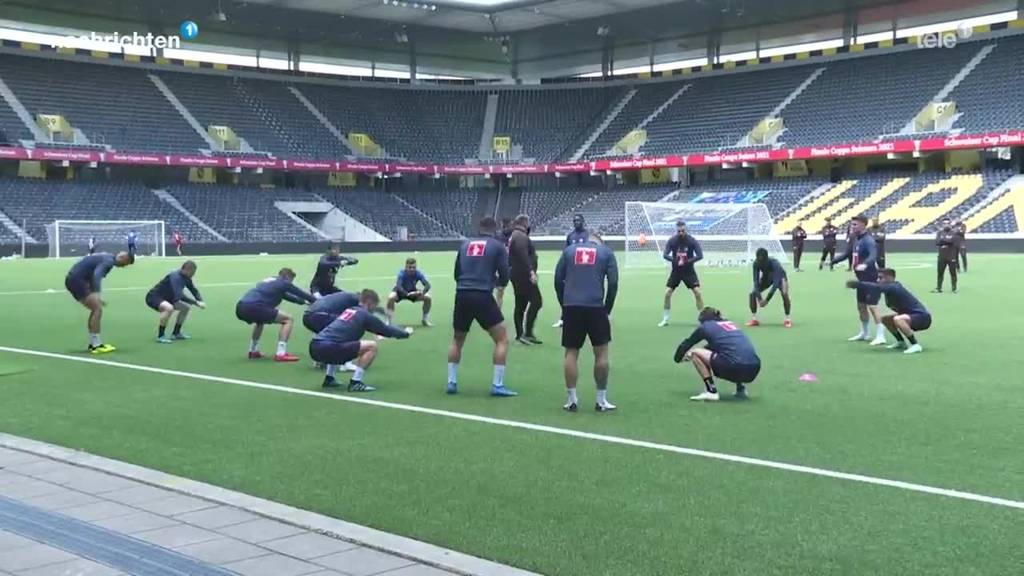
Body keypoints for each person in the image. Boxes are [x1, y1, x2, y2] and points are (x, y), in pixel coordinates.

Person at [447, 216, 515, 397]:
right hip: (482, 294)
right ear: (494, 229)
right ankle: (497, 384)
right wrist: (497, 282)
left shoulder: (465, 245)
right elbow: (505, 273)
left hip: (462, 293)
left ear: (479, 227)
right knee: (502, 339)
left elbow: (456, 272)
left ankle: (451, 382)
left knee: (457, 339)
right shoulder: (497, 246)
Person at [554, 232, 618, 413]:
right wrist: (607, 309)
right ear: (600, 242)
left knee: (571, 353)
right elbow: (613, 283)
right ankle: (601, 400)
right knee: (601, 353)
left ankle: (571, 399)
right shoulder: (606, 253)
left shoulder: (568, 251)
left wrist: (564, 303)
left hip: (571, 306)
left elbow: (558, 280)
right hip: (596, 306)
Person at [310, 289, 413, 392]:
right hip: (328, 347)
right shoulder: (364, 314)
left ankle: (329, 378)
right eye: (374, 305)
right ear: (369, 303)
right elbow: (386, 330)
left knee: (338, 341)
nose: (374, 309)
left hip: (314, 346)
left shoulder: (349, 310)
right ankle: (356, 382)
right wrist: (405, 333)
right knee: (372, 346)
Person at [674, 307, 761, 402]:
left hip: (733, 367)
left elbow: (687, 343)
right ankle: (741, 390)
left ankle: (711, 392)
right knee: (733, 353)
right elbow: (720, 346)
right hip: (754, 369)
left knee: (695, 353)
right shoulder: (730, 324)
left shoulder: (705, 326)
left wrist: (678, 358)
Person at [235, 268, 317, 362]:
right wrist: (318, 301)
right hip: (255, 307)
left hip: (241, 306)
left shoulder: (271, 280)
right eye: (291, 280)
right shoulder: (284, 283)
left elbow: (285, 295)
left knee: (260, 321)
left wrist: (303, 302)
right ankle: (281, 354)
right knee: (288, 319)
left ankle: (253, 351)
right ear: (287, 276)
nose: (291, 282)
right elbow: (300, 293)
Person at [846, 268, 930, 355]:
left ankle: (915, 345)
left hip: (922, 317)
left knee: (898, 319)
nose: (878, 280)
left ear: (890, 278)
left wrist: (859, 284)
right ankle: (901, 342)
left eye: (881, 278)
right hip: (911, 316)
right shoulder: (889, 289)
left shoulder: (894, 286)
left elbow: (876, 287)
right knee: (885, 319)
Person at [832, 215, 887, 345]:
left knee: (873, 306)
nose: (852, 227)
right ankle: (865, 333)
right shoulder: (855, 239)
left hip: (871, 279)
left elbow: (873, 255)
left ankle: (881, 335)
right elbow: (847, 254)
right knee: (861, 306)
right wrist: (833, 261)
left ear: (863, 225)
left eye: (855, 225)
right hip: (860, 280)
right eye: (852, 224)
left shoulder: (869, 240)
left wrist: (866, 264)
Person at [64, 251, 134, 354]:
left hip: (74, 279)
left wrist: (94, 293)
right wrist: (96, 293)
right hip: (77, 281)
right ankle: (95, 345)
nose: (123, 266)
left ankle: (94, 343)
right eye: (125, 263)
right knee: (97, 309)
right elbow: (97, 276)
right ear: (122, 257)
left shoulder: (107, 256)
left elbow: (92, 273)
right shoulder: (109, 261)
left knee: (95, 309)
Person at [146, 260, 205, 343]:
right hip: (154, 297)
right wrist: (196, 303)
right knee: (169, 308)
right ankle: (161, 336)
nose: (193, 274)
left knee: (185, 308)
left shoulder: (187, 277)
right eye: (192, 272)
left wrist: (200, 300)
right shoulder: (176, 277)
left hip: (169, 298)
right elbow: (180, 296)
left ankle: (176, 333)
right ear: (186, 270)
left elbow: (193, 290)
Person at [659, 220, 703, 327]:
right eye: (679, 231)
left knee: (698, 293)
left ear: (685, 229)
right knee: (667, 293)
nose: (681, 233)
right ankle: (665, 319)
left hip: (689, 271)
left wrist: (688, 261)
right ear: (676, 230)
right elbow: (665, 255)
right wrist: (674, 260)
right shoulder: (672, 241)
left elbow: (700, 255)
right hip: (676, 271)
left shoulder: (692, 241)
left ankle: (702, 319)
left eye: (683, 231)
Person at [508, 214, 543, 345]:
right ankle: (527, 333)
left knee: (521, 303)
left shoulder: (515, 235)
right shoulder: (521, 237)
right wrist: (531, 272)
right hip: (523, 275)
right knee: (536, 301)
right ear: (524, 223)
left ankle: (520, 334)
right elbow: (523, 255)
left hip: (517, 274)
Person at [747, 248, 792, 328]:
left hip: (780, 277)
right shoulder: (756, 263)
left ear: (766, 259)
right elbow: (756, 282)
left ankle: (787, 319)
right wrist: (760, 298)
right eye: (759, 261)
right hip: (767, 277)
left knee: (784, 293)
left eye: (763, 262)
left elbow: (775, 284)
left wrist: (766, 300)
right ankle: (754, 319)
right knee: (752, 293)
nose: (761, 263)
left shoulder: (775, 263)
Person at [386, 258, 433, 327]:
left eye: (414, 267)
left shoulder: (418, 273)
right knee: (391, 297)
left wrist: (422, 293)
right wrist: (407, 294)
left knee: (428, 298)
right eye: (410, 267)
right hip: (400, 292)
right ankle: (389, 321)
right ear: (406, 267)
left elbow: (427, 285)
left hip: (412, 291)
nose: (412, 269)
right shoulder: (401, 273)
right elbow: (399, 286)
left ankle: (425, 319)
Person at [934, 219, 958, 293]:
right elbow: (937, 242)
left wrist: (943, 242)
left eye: (948, 223)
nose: (946, 225)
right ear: (942, 224)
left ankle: (954, 288)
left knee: (953, 273)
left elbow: (952, 241)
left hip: (951, 256)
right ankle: (938, 288)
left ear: (950, 224)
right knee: (940, 273)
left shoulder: (954, 233)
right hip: (942, 256)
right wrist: (946, 242)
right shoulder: (939, 233)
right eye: (944, 223)